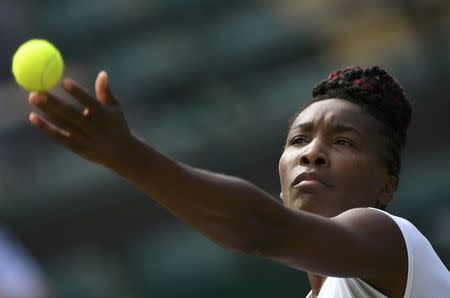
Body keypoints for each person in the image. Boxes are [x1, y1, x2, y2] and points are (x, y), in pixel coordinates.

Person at [27, 66, 449, 297]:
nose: (311, 152)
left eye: (343, 141)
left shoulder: (392, 242)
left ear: (386, 186)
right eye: (299, 139)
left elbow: (255, 228)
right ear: (280, 179)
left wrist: (129, 156)